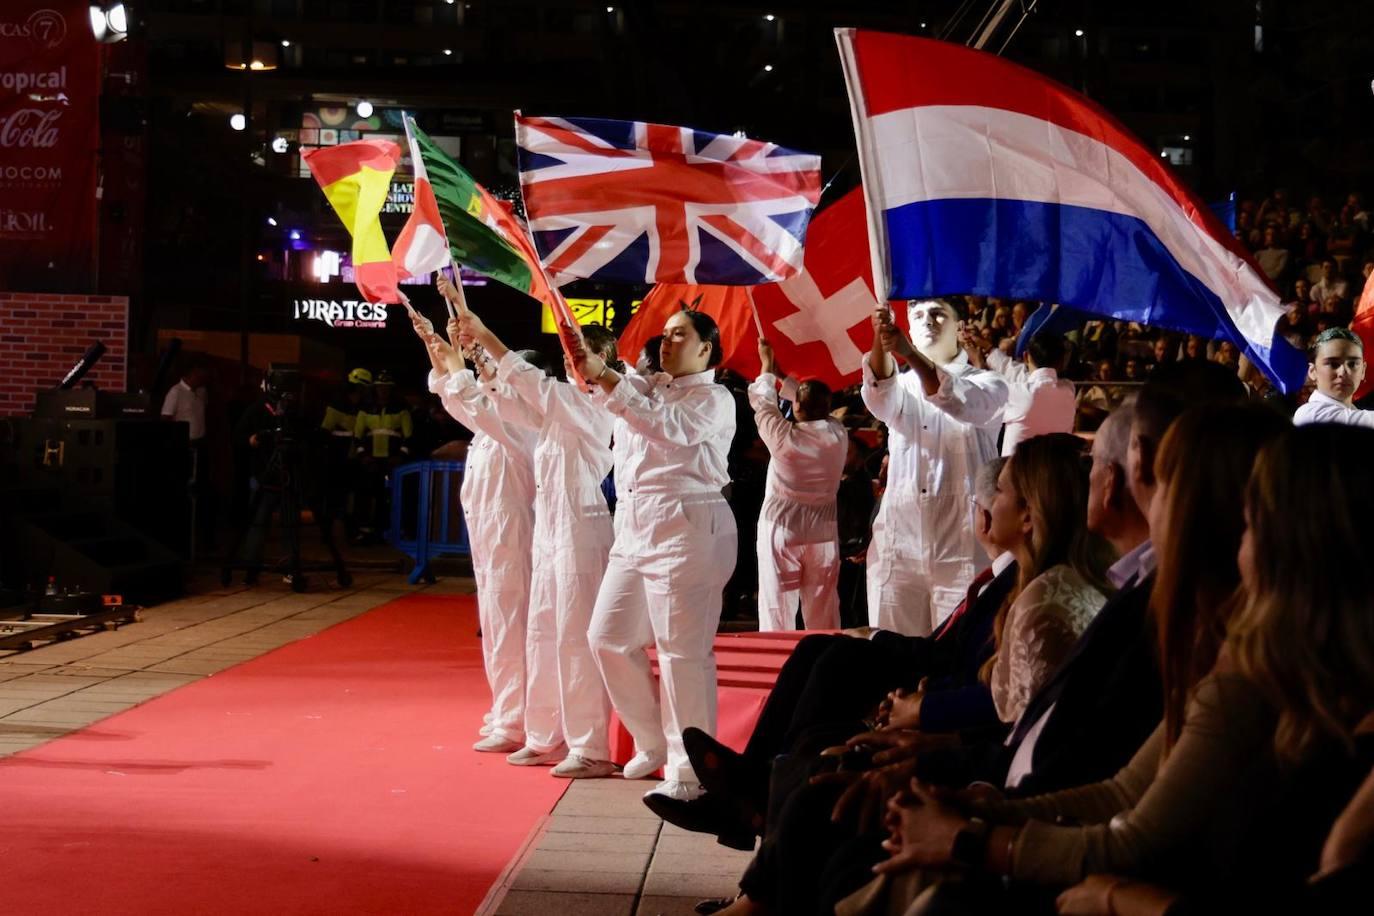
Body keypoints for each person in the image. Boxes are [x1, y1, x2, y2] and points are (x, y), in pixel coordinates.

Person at [845, 403, 1291, 916]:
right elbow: (1121, 791)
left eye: (1162, 485)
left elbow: (1130, 829)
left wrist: (973, 834)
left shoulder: (1234, 663)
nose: (1149, 504)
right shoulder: (1182, 618)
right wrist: (980, 809)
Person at [568, 307, 738, 803]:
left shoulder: (714, 398)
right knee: (607, 638)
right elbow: (613, 393)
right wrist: (592, 367)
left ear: (706, 348)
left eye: (679, 335)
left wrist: (608, 378)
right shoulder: (650, 386)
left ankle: (691, 771)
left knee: (682, 653)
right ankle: (652, 741)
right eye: (665, 334)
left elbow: (668, 427)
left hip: (687, 525)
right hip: (635, 526)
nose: (667, 341)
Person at [456, 308, 619, 779]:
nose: (572, 361)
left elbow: (534, 387)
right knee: (542, 632)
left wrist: (487, 335)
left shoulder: (595, 405)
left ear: (604, 361)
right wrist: (479, 361)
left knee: (573, 638)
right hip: (550, 528)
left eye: (581, 353)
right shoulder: (558, 406)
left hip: (582, 528)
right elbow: (510, 406)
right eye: (568, 353)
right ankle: (545, 734)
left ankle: (589, 746)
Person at [407, 295, 538, 758]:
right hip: (489, 540)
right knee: (497, 625)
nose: (491, 380)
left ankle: (518, 719)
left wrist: (462, 358)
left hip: (514, 538)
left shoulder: (524, 426)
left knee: (512, 627)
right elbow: (454, 395)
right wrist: (437, 350)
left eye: (500, 375)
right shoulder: (491, 428)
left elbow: (473, 399)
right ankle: (507, 710)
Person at [862, 299, 1008, 636]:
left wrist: (909, 354)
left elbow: (955, 400)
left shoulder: (990, 384)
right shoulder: (901, 386)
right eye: (917, 315)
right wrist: (880, 336)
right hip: (899, 545)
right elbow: (879, 395)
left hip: (962, 548)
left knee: (956, 652)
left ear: (960, 326)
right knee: (890, 653)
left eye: (938, 314)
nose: (927, 321)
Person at [748, 339, 848, 631]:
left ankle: (776, 656)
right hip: (823, 532)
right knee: (823, 606)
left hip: (781, 528)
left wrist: (767, 366)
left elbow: (763, 401)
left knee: (776, 606)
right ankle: (825, 655)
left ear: (798, 407)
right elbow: (813, 405)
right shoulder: (838, 434)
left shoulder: (782, 437)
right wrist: (783, 376)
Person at [979, 333, 1076, 456]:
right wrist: (988, 348)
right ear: (1062, 362)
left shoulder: (1019, 393)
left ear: (1025, 357)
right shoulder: (1068, 391)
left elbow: (980, 405)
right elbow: (1023, 376)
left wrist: (978, 364)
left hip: (1017, 467)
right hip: (1056, 467)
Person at [351, 370, 413, 544]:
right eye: (380, 387)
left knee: (392, 496)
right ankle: (365, 532)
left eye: (386, 388)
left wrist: (400, 457)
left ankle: (392, 530)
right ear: (375, 389)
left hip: (392, 462)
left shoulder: (401, 409)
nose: (383, 391)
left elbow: (409, 437)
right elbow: (357, 436)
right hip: (370, 462)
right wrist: (363, 456)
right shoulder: (365, 409)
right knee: (366, 496)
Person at [161, 360, 213, 553]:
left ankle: (202, 536)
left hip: (201, 443)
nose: (203, 378)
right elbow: (166, 417)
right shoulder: (176, 392)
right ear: (191, 373)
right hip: (186, 445)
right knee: (187, 488)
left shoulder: (202, 392)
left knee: (203, 488)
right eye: (200, 374)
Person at [1292, 327, 1374, 427]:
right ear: (1313, 371)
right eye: (1333, 364)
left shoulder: (1356, 414)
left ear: (1363, 371)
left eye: (1352, 364)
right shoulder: (1309, 414)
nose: (1342, 372)